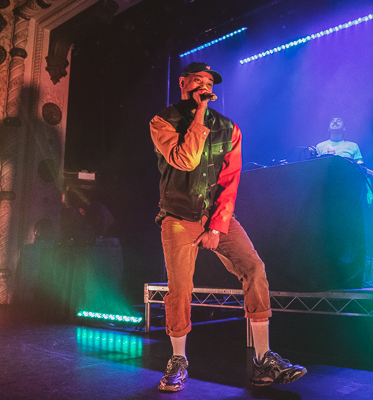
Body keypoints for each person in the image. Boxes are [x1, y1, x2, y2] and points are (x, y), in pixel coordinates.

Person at [149, 62, 307, 392]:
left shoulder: (230, 129)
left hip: (215, 217)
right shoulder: (162, 121)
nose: (204, 87)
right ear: (183, 83)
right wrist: (200, 114)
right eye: (197, 81)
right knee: (180, 286)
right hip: (178, 217)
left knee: (254, 268)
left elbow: (230, 180)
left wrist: (217, 227)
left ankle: (263, 360)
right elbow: (186, 159)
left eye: (209, 83)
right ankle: (178, 360)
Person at [316, 117, 373, 206]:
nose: (335, 121)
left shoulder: (353, 146)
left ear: (344, 128)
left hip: (349, 190)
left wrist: (370, 193)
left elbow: (363, 171)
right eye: (332, 120)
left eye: (338, 120)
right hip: (326, 191)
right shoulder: (320, 146)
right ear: (328, 128)